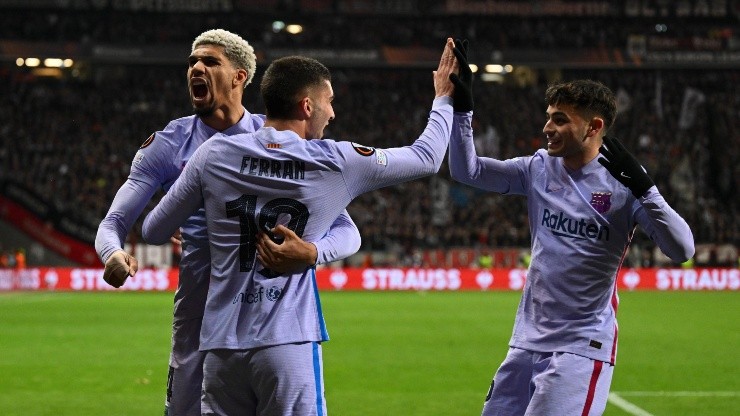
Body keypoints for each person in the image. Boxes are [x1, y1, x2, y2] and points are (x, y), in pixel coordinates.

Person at [140, 37, 463, 415]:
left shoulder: (213, 154)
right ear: (307, 106)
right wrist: (443, 97)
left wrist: (201, 219)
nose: (333, 113)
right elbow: (426, 157)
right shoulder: (334, 162)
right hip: (286, 343)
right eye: (329, 102)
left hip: (221, 349)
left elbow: (153, 231)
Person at [94, 29, 362, 416]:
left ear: (240, 76)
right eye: (192, 62)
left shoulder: (276, 138)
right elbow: (115, 220)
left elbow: (347, 228)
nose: (196, 68)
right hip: (199, 309)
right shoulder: (170, 143)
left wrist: (312, 252)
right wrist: (112, 252)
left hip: (268, 316)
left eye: (209, 61)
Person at [448, 50, 695, 415]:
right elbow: (466, 171)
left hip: (581, 348)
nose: (547, 127)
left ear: (593, 127)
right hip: (525, 342)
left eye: (560, 120)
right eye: (548, 117)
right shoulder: (538, 167)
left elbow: (682, 249)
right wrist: (463, 112)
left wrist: (646, 189)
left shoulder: (625, 184)